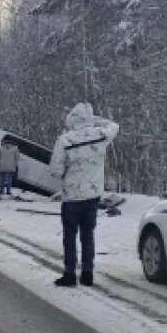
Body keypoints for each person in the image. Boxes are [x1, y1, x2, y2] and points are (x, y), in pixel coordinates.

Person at [49, 103, 119, 287]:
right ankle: (87, 273)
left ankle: (69, 273)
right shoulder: (100, 135)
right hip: (93, 194)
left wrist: (66, 173)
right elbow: (114, 126)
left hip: (72, 195)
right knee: (88, 235)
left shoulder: (65, 140)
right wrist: (95, 120)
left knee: (70, 235)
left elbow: (55, 170)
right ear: (88, 118)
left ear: (72, 118)